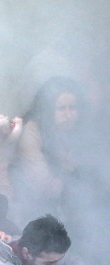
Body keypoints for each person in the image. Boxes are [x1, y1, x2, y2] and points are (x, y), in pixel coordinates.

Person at [12, 76, 93, 223]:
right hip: (34, 209)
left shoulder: (76, 131)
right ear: (48, 109)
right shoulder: (32, 133)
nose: (68, 115)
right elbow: (44, 185)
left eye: (72, 108)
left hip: (66, 203)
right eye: (61, 108)